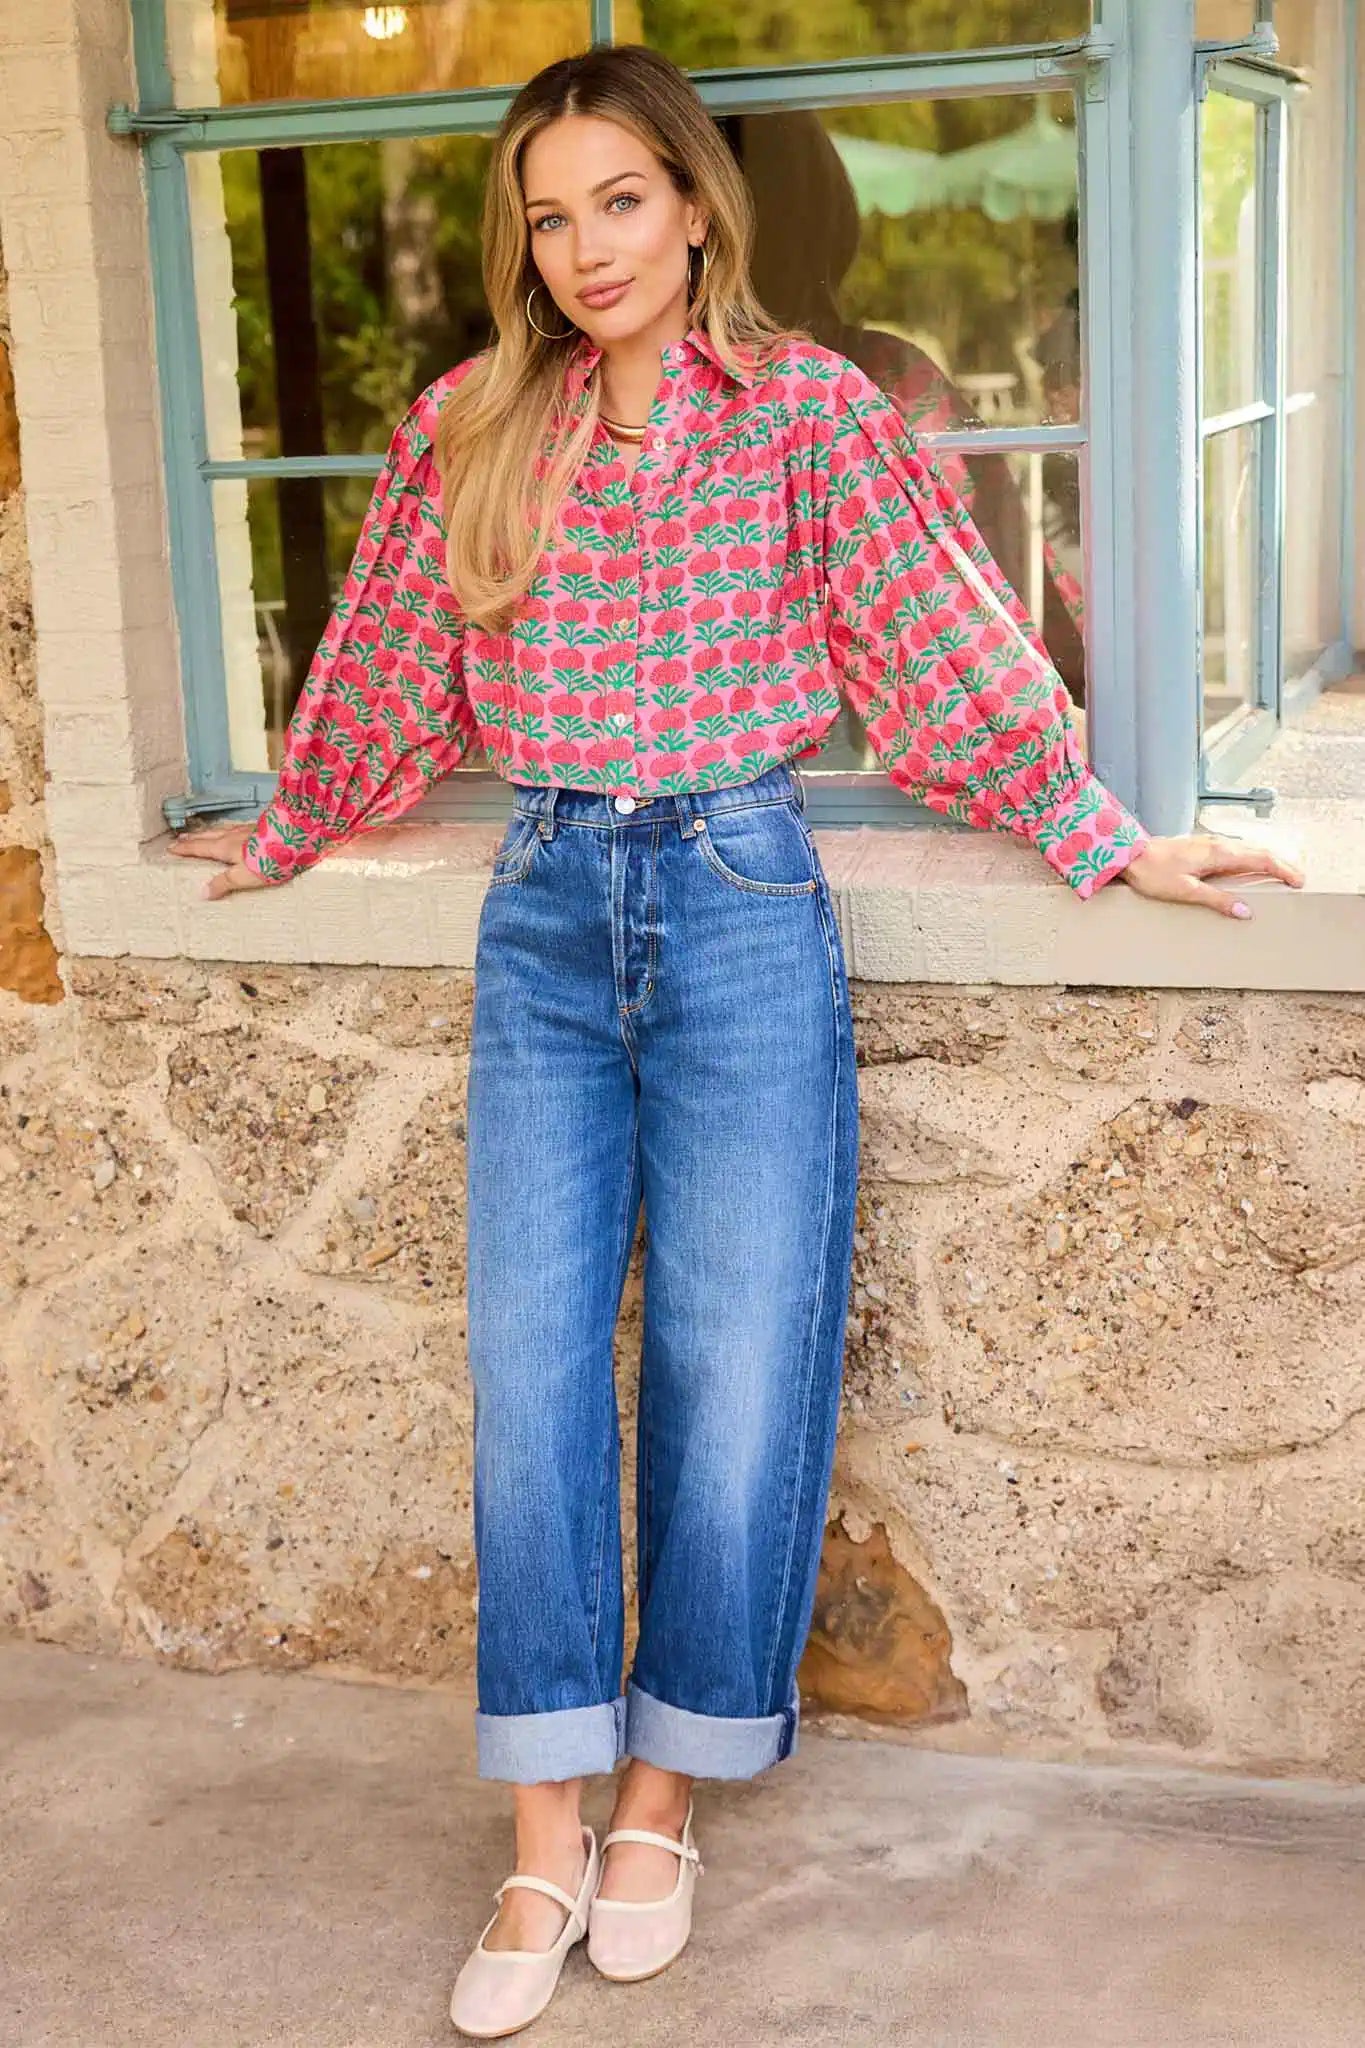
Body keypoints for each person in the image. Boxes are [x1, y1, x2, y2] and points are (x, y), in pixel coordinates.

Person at [169, 42, 1303, 2042]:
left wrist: (1107, 834)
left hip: (742, 907)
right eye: (548, 213)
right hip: (541, 920)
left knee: (731, 1356)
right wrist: (277, 831)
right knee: (528, 1369)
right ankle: (538, 1826)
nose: (586, 247)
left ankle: (657, 1801)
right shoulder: (471, 422)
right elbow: (383, 668)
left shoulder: (801, 415)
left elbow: (939, 642)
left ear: (695, 205)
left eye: (620, 200)